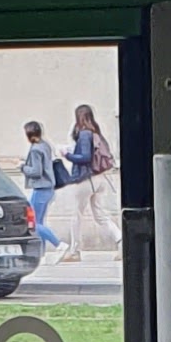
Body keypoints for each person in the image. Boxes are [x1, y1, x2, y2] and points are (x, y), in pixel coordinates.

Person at [53, 101, 115, 264]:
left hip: (86, 179)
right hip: (99, 178)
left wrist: (66, 155)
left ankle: (74, 251)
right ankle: (121, 240)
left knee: (76, 215)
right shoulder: (95, 133)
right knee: (100, 215)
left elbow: (85, 157)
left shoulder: (85, 134)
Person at [19, 119, 62, 250]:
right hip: (48, 188)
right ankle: (42, 252)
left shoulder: (35, 150)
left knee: (32, 222)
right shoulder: (45, 145)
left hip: (41, 189)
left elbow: (36, 172)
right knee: (39, 222)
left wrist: (22, 167)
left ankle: (59, 244)